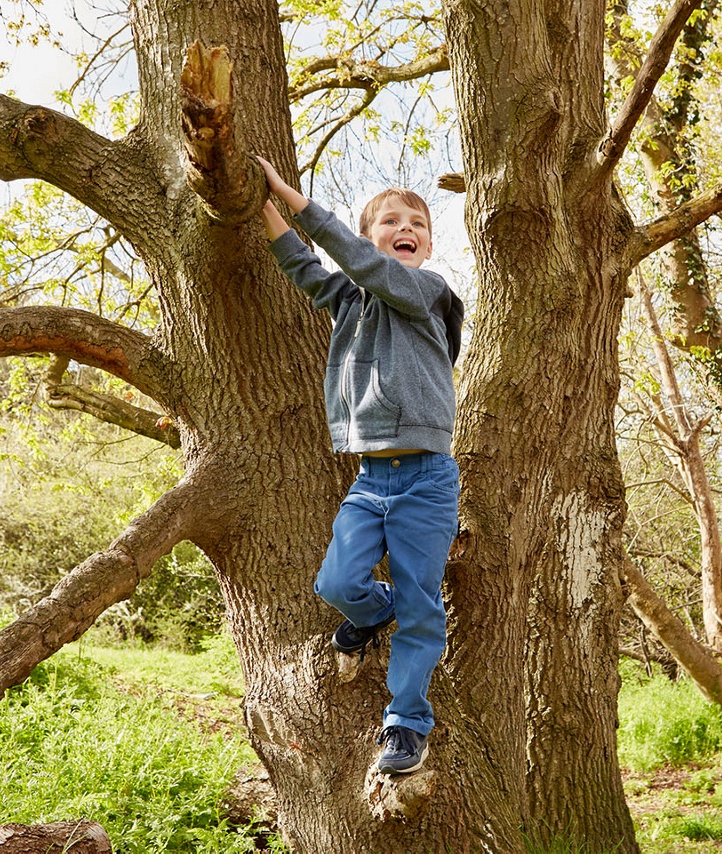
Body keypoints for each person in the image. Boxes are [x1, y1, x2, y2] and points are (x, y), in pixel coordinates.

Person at [255, 156, 464, 775]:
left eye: (417, 223)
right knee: (336, 585)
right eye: (391, 221)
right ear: (371, 234)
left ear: (426, 244)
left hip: (427, 478)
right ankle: (374, 612)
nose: (407, 228)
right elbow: (303, 266)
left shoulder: (426, 291)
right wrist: (253, 200)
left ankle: (405, 725)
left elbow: (358, 261)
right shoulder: (353, 303)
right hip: (372, 480)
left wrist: (293, 198)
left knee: (422, 603)